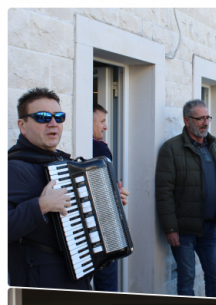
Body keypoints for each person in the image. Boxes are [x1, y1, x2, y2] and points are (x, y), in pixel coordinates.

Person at [7, 87, 129, 291]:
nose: (53, 123)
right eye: (42, 117)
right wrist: (40, 206)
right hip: (40, 284)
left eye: (59, 117)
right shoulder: (13, 167)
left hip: (77, 275)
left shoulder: (63, 163)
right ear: (23, 125)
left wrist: (108, 199)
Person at [155, 99, 216, 298]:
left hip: (209, 227)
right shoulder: (171, 149)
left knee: (215, 277)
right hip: (184, 231)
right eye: (200, 118)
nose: (205, 122)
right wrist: (171, 228)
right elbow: (164, 192)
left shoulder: (215, 145)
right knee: (186, 279)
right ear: (187, 120)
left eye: (207, 117)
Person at [91, 103, 120, 294]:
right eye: (102, 121)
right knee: (107, 285)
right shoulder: (99, 149)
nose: (106, 127)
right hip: (103, 230)